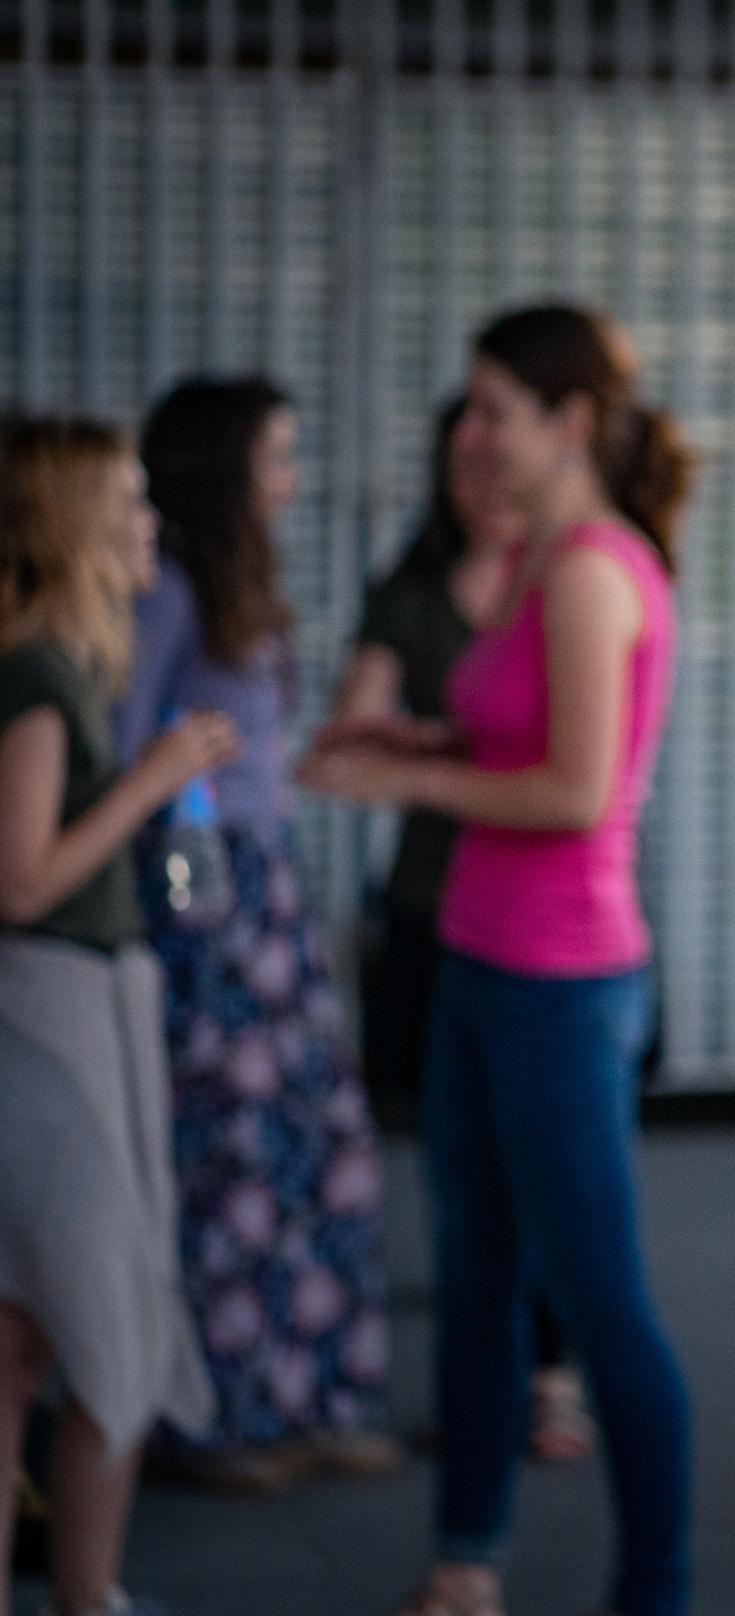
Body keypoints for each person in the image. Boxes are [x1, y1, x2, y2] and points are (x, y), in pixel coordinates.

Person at [299, 304, 697, 1616]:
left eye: (493, 409)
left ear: (569, 421)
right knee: (473, 1277)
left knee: (597, 1297)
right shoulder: (528, 558)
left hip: (562, 980)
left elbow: (580, 792)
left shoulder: (589, 566)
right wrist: (409, 747)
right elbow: (502, 738)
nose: (468, 433)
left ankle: (656, 1585)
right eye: (467, 408)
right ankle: (467, 1562)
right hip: (476, 956)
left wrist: (399, 786)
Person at [110, 380, 398, 1495]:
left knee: (305, 1150)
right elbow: (131, 755)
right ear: (221, 471)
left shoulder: (233, 585)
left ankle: (303, 1395)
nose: (292, 478)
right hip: (203, 904)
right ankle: (216, 1414)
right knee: (227, 1159)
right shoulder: (168, 589)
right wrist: (190, 848)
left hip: (263, 894)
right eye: (275, 457)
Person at [0, 416, 234, 1616]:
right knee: (96, 1327)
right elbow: (25, 880)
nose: (151, 526)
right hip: (51, 1018)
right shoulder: (39, 671)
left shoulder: (54, 662)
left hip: (61, 1015)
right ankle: (90, 1595)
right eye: (130, 503)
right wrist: (150, 780)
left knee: (21, 1343)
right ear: (72, 525)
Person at [324, 406, 589, 1461]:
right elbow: (355, 718)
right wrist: (383, 733)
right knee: (461, 1170)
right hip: (439, 908)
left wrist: (434, 756)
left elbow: (590, 766)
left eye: (495, 453)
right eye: (462, 463)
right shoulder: (413, 594)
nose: (481, 477)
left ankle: (553, 1378)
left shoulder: (572, 580)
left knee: (550, 1170)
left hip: (552, 919)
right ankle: (481, 1389)